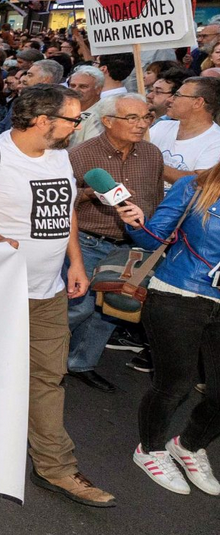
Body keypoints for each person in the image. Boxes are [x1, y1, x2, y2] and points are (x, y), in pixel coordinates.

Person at [0, 84, 114, 507]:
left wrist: (75, 263)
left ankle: (56, 468)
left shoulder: (60, 156)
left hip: (49, 291)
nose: (78, 126)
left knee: (48, 378)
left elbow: (65, 213)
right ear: (44, 120)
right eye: (73, 119)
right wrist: (3, 249)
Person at [115, 161, 220, 495]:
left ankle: (188, 445)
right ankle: (150, 449)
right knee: (177, 383)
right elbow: (153, 237)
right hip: (178, 294)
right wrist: (136, 223)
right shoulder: (194, 187)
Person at [61, 93, 163, 392]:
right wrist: (89, 195)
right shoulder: (79, 155)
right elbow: (62, 201)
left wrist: (154, 238)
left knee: (111, 311)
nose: (141, 124)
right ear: (107, 121)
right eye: (132, 118)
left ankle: (81, 364)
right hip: (87, 242)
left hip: (131, 247)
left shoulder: (152, 154)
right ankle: (38, 360)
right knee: (79, 306)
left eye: (146, 117)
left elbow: (156, 198)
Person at [149, 76, 220, 188]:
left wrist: (151, 163)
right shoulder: (161, 127)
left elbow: (199, 182)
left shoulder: (216, 141)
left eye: (177, 95)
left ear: (198, 102)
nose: (169, 100)